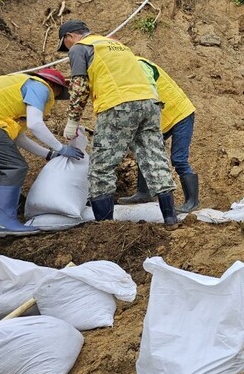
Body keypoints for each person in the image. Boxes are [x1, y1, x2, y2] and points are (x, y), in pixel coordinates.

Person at [57, 20, 177, 226]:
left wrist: (72, 121)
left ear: (69, 37)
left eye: (65, 44)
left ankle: (105, 227)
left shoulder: (79, 48)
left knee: (101, 166)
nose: (67, 49)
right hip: (150, 102)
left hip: (118, 105)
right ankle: (171, 218)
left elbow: (79, 87)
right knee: (154, 159)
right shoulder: (116, 44)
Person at [0, 68, 82, 237]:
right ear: (54, 85)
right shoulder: (39, 86)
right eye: (58, 93)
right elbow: (35, 124)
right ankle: (3, 222)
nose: (54, 98)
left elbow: (18, 138)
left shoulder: (10, 100)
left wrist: (49, 154)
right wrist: (61, 148)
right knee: (14, 167)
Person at [118, 57, 199, 213]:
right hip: (162, 117)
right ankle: (144, 193)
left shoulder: (138, 65)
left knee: (179, 159)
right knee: (145, 150)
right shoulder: (126, 70)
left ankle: (192, 201)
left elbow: (150, 92)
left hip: (180, 113)